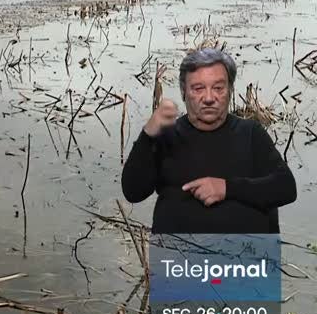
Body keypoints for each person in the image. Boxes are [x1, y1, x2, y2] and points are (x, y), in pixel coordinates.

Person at [121, 48, 296, 233]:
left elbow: (285, 188)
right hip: (180, 257)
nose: (209, 98)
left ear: (230, 91)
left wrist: (227, 188)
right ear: (183, 92)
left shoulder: (250, 133)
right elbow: (133, 192)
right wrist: (147, 136)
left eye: (218, 88)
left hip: (244, 256)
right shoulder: (166, 137)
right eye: (198, 89)